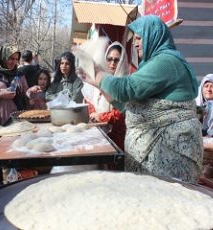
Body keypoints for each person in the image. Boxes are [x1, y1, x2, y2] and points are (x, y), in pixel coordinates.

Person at [77, 15, 203, 183]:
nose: (135, 43)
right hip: (156, 154)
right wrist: (96, 82)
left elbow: (126, 89)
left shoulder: (167, 61)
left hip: (171, 151)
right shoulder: (152, 64)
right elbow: (126, 105)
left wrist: (97, 72)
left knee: (169, 204)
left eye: (139, 38)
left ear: (154, 35)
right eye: (134, 39)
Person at [82, 41, 129, 150]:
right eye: (109, 59)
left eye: (116, 60)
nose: (112, 63)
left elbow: (124, 111)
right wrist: (93, 112)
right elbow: (89, 99)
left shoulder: (126, 83)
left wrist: (102, 117)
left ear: (122, 61)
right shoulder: (100, 78)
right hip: (96, 132)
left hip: (116, 136)